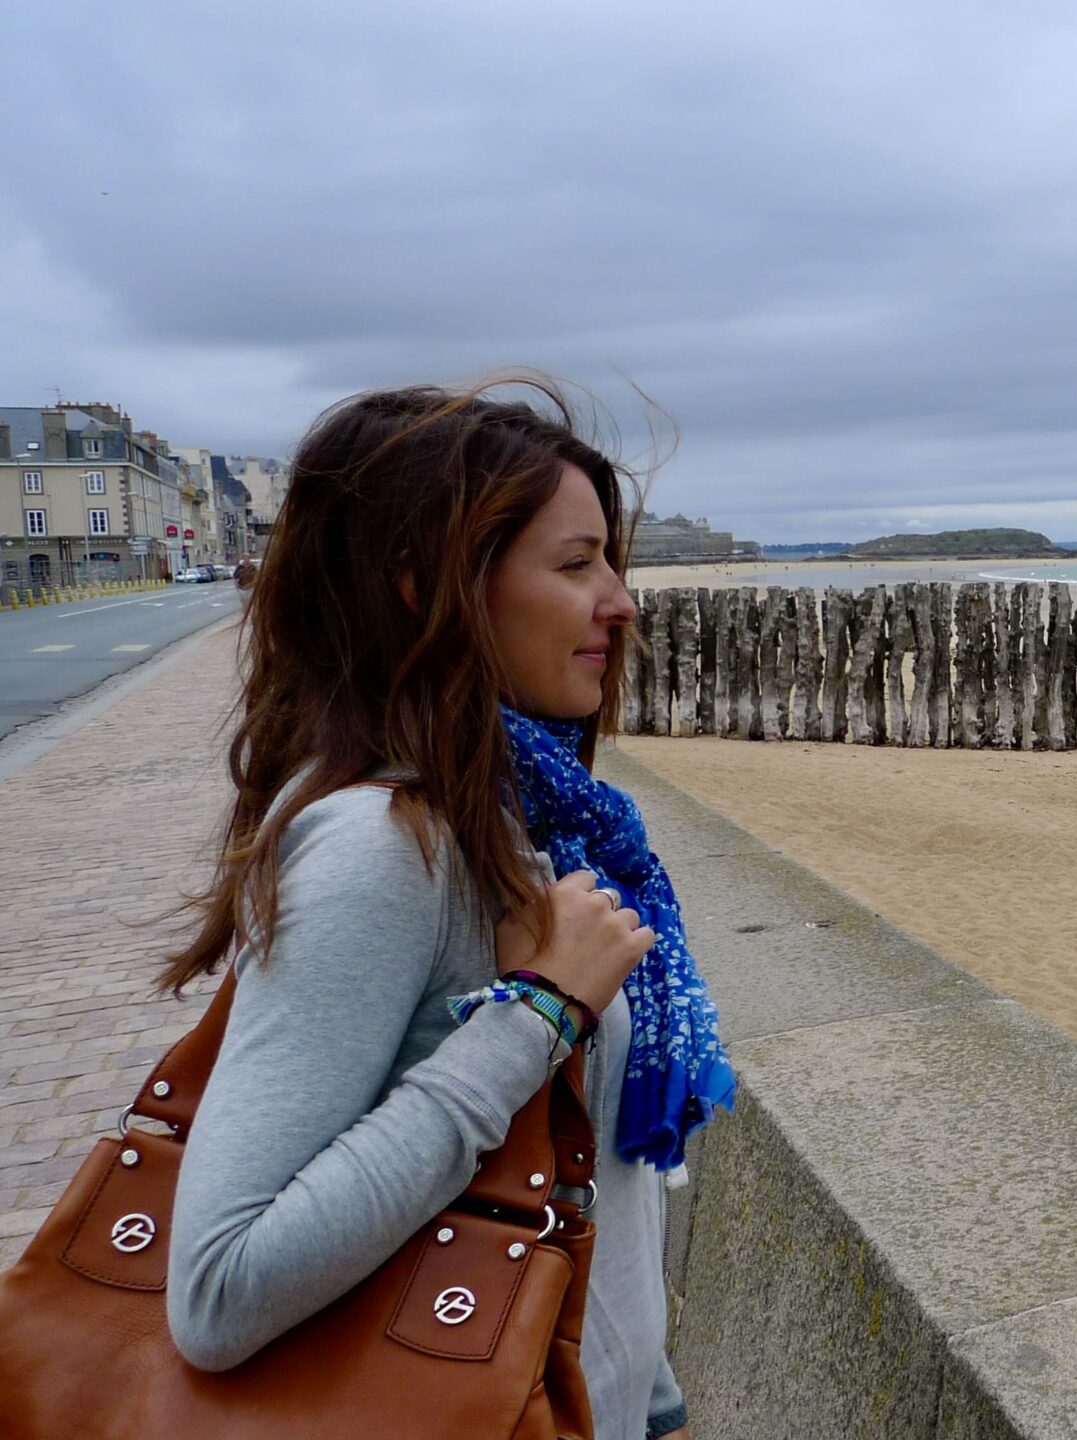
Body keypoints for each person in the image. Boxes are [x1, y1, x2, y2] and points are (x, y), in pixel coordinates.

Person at [158, 381, 730, 1439]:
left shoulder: (538, 824)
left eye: (611, 559)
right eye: (575, 564)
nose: (621, 600)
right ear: (425, 587)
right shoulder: (382, 849)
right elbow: (219, 1289)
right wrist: (541, 1011)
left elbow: (590, 1183)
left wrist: (653, 1407)